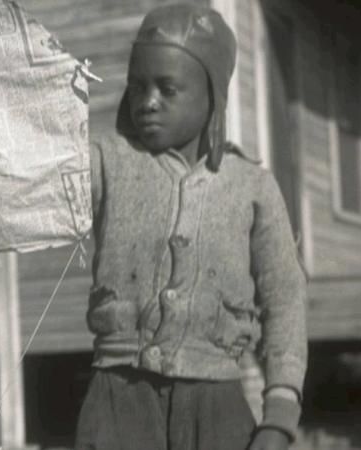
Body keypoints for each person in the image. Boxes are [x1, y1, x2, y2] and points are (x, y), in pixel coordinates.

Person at [75, 4, 307, 450]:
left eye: (168, 88)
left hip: (215, 409)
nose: (148, 101)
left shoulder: (252, 187)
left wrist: (279, 411)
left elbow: (285, 298)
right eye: (137, 86)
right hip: (116, 402)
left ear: (212, 96)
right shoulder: (105, 161)